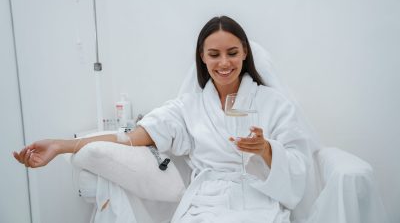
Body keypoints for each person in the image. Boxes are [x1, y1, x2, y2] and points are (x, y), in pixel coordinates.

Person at [14, 16, 310, 223]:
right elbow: (130, 138)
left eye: (232, 53)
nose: (224, 63)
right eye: (214, 54)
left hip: (258, 199)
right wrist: (60, 145)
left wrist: (266, 149)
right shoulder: (188, 107)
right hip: (206, 204)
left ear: (245, 52)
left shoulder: (274, 104)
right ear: (202, 57)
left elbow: (299, 165)